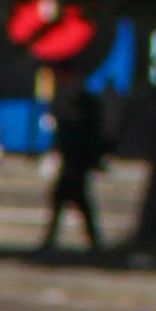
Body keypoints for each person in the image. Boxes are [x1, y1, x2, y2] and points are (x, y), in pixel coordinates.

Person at [39, 83, 110, 256]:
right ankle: (92, 241)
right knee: (73, 199)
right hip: (74, 161)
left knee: (68, 198)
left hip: (76, 161)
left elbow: (76, 136)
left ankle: (54, 240)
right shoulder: (79, 108)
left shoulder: (82, 112)